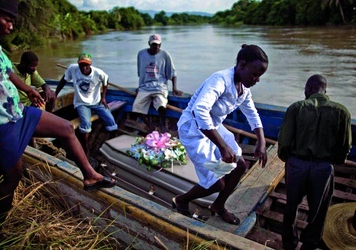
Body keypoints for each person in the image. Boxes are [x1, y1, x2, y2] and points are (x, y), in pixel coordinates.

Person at [0, 0, 116, 240]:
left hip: (17, 112)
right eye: (8, 20)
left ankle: (90, 175)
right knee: (11, 178)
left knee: (64, 127)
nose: (11, 26)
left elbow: (8, 72)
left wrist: (29, 90)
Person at [172, 44, 269, 225]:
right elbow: (200, 110)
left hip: (213, 126)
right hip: (193, 129)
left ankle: (218, 205)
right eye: (254, 74)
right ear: (241, 65)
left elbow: (252, 114)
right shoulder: (220, 80)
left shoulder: (243, 88)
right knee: (216, 184)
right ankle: (182, 200)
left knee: (240, 165)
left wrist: (261, 141)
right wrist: (222, 147)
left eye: (260, 76)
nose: (257, 79)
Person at [277, 74, 352, 250]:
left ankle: (289, 243)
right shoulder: (342, 111)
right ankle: (309, 244)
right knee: (319, 210)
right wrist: (334, 161)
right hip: (323, 167)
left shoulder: (296, 108)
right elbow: (345, 146)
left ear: (308, 88)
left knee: (291, 206)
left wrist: (288, 159)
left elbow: (285, 141)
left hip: (297, 164)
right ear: (325, 90)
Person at [55, 53, 118, 157]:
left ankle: (112, 143)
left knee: (111, 120)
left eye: (86, 65)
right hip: (81, 103)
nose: (84, 68)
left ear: (90, 65)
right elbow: (63, 81)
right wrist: (55, 93)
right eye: (82, 65)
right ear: (78, 64)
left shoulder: (98, 73)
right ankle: (86, 147)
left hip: (97, 102)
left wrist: (103, 98)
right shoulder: (72, 69)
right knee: (85, 124)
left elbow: (106, 81)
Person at [133, 34, 183, 133]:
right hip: (145, 87)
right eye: (153, 45)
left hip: (160, 87)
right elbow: (140, 72)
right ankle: (150, 125)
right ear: (149, 44)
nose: (155, 47)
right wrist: (140, 86)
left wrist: (174, 88)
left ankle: (162, 125)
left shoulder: (165, 55)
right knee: (136, 107)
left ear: (160, 45)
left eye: (157, 45)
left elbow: (173, 72)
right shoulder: (141, 54)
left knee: (161, 105)